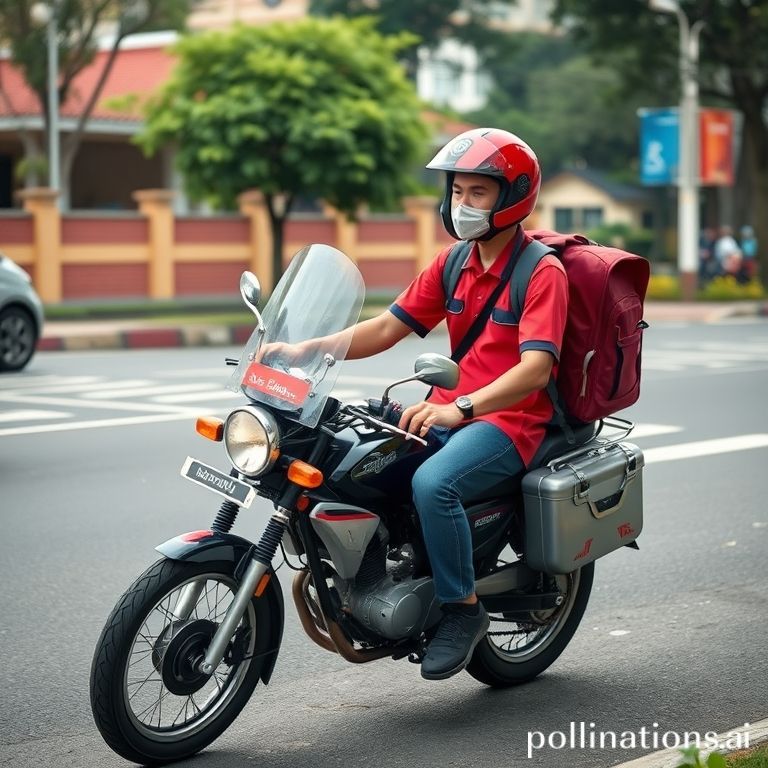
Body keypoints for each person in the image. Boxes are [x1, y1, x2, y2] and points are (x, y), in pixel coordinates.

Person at [267, 128, 568, 680]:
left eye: (479, 192)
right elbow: (387, 327)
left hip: (509, 421)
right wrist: (307, 350)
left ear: (512, 197)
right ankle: (383, 568)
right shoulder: (454, 262)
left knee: (435, 485)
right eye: (457, 192)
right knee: (347, 449)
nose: (463, 204)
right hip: (447, 405)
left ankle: (461, 610)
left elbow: (536, 369)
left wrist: (463, 408)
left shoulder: (541, 271)